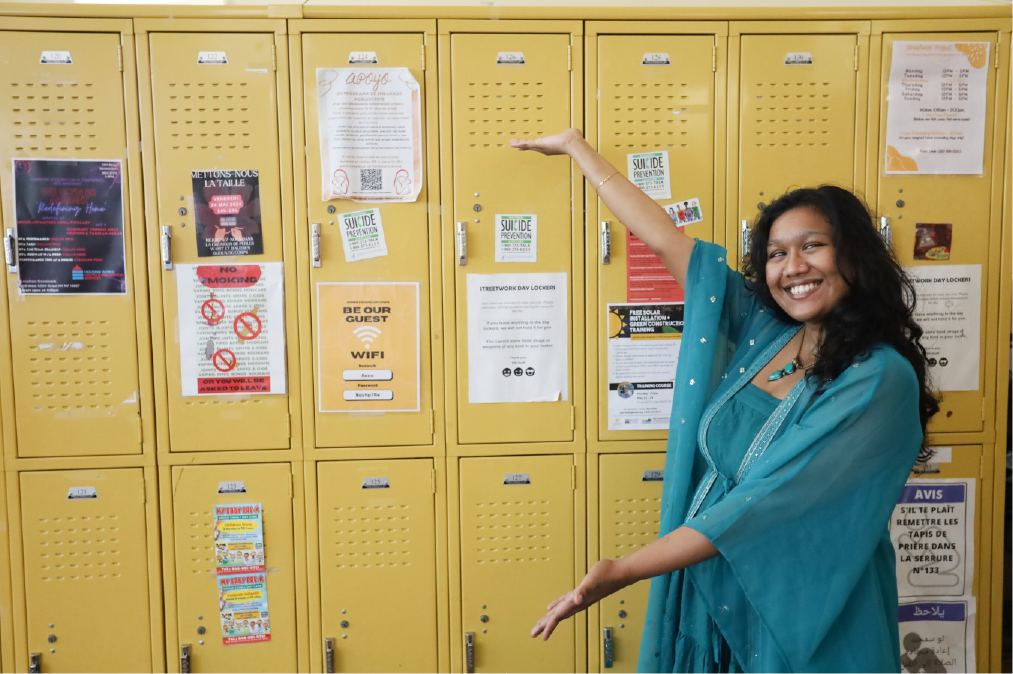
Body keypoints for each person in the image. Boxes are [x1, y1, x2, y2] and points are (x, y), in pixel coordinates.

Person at [511, 128, 939, 673]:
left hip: (799, 611)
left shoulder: (878, 378)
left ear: (853, 254)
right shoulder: (767, 331)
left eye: (812, 246)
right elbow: (666, 239)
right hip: (710, 590)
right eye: (777, 254)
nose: (793, 267)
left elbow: (764, 501)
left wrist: (626, 570)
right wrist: (578, 150)